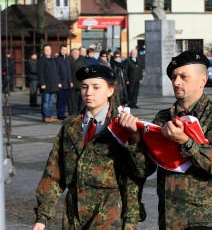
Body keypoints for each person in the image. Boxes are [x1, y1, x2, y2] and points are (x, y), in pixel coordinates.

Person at [125, 51, 212, 229]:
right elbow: (143, 169)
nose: (176, 82)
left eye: (184, 77)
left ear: (203, 80)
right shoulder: (163, 117)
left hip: (202, 218)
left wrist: (185, 141)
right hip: (168, 216)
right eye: (174, 77)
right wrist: (134, 139)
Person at [33, 64, 153, 230]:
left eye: (96, 87)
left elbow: (136, 175)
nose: (88, 92)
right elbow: (54, 171)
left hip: (109, 214)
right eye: (84, 87)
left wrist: (134, 138)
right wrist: (42, 216)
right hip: (73, 215)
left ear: (110, 90)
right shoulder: (70, 126)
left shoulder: (121, 126)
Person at [37, 44, 60, 123]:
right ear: (43, 51)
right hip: (45, 85)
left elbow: (55, 72)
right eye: (46, 50)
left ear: (51, 51)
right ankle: (45, 117)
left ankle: (50, 116)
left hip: (53, 84)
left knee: (50, 102)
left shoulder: (52, 59)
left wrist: (57, 82)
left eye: (49, 50)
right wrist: (42, 83)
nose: (47, 51)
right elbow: (40, 72)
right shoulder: (42, 60)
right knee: (45, 101)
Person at [55, 44, 73, 120]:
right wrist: (58, 82)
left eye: (65, 50)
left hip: (68, 83)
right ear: (60, 50)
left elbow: (69, 72)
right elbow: (56, 72)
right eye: (63, 50)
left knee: (65, 99)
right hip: (61, 83)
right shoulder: (57, 59)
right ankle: (60, 114)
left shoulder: (67, 59)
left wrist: (71, 81)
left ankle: (63, 113)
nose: (64, 51)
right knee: (60, 99)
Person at [68, 48, 84, 115]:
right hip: (71, 83)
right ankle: (72, 113)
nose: (76, 55)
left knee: (80, 100)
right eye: (74, 53)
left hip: (80, 83)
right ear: (71, 54)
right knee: (72, 100)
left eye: (77, 53)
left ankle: (79, 112)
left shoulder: (81, 61)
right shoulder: (69, 61)